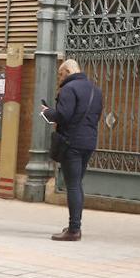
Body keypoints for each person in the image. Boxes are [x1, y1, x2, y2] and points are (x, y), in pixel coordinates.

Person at [41, 59, 103, 241]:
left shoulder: (69, 89)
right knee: (77, 183)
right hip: (89, 142)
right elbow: (96, 116)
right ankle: (75, 225)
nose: (59, 79)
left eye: (60, 74)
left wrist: (47, 112)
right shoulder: (95, 90)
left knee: (73, 185)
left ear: (68, 71)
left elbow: (63, 116)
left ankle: (74, 230)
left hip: (71, 143)